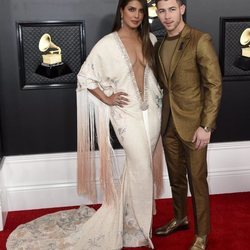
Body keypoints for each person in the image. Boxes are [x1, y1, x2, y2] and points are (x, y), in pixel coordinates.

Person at [6, 0, 163, 249]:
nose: (137, 15)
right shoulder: (108, 44)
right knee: (141, 165)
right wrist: (108, 99)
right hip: (125, 114)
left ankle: (132, 220)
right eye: (132, 9)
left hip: (153, 112)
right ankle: (143, 227)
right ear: (121, 11)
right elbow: (85, 77)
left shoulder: (151, 41)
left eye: (141, 10)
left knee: (137, 168)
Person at [153, 1, 222, 250]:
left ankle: (202, 234)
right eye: (161, 11)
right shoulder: (159, 44)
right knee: (175, 177)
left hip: (194, 126)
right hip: (168, 122)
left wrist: (206, 126)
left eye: (172, 9)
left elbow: (213, 85)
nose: (167, 16)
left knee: (197, 179)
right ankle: (179, 218)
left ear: (182, 9)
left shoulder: (199, 39)